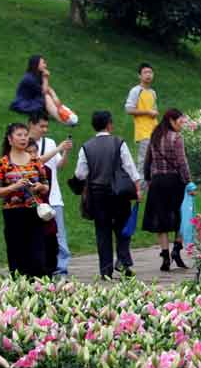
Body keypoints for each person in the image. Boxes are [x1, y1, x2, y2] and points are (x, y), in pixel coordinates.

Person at [74, 111, 142, 278]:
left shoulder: (86, 147)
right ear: (109, 124)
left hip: (98, 195)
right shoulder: (119, 143)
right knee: (123, 229)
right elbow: (130, 167)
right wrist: (138, 188)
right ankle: (123, 262)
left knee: (102, 231)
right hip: (119, 194)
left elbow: (80, 173)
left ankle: (105, 270)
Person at [0, 123, 49, 278]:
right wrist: (13, 187)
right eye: (19, 135)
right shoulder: (2, 164)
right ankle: (19, 288)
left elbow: (46, 186)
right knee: (17, 252)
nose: (24, 138)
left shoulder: (35, 161)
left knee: (37, 253)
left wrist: (39, 187)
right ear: (10, 140)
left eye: (25, 135)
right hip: (13, 213)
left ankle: (39, 287)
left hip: (35, 212)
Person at [142, 109, 191, 272]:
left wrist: (148, 179)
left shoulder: (155, 136)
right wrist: (189, 182)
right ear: (171, 120)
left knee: (161, 218)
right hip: (174, 181)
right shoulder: (176, 138)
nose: (181, 125)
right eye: (180, 121)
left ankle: (165, 256)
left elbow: (147, 161)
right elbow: (182, 162)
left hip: (157, 182)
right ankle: (176, 249)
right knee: (180, 215)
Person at [27, 114, 74, 276]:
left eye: (46, 126)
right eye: (41, 126)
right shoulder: (25, 144)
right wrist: (59, 149)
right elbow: (35, 161)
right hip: (34, 199)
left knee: (59, 234)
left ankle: (61, 268)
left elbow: (59, 165)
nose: (44, 130)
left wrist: (65, 152)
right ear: (31, 125)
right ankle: (41, 266)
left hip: (53, 196)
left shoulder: (50, 142)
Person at [10, 55, 78, 125]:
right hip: (23, 104)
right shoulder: (29, 78)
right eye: (43, 63)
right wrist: (45, 78)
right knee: (47, 97)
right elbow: (44, 92)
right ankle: (63, 120)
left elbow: (48, 88)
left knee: (48, 98)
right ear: (36, 64)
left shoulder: (36, 75)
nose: (45, 65)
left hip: (33, 100)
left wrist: (55, 96)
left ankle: (66, 115)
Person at [125, 63, 158, 191]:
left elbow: (153, 110)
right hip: (143, 131)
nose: (148, 75)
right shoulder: (135, 91)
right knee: (144, 160)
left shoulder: (153, 92)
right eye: (145, 72)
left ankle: (151, 186)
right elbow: (128, 109)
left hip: (154, 131)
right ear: (139, 75)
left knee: (154, 159)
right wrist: (148, 112)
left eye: (150, 72)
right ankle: (141, 188)